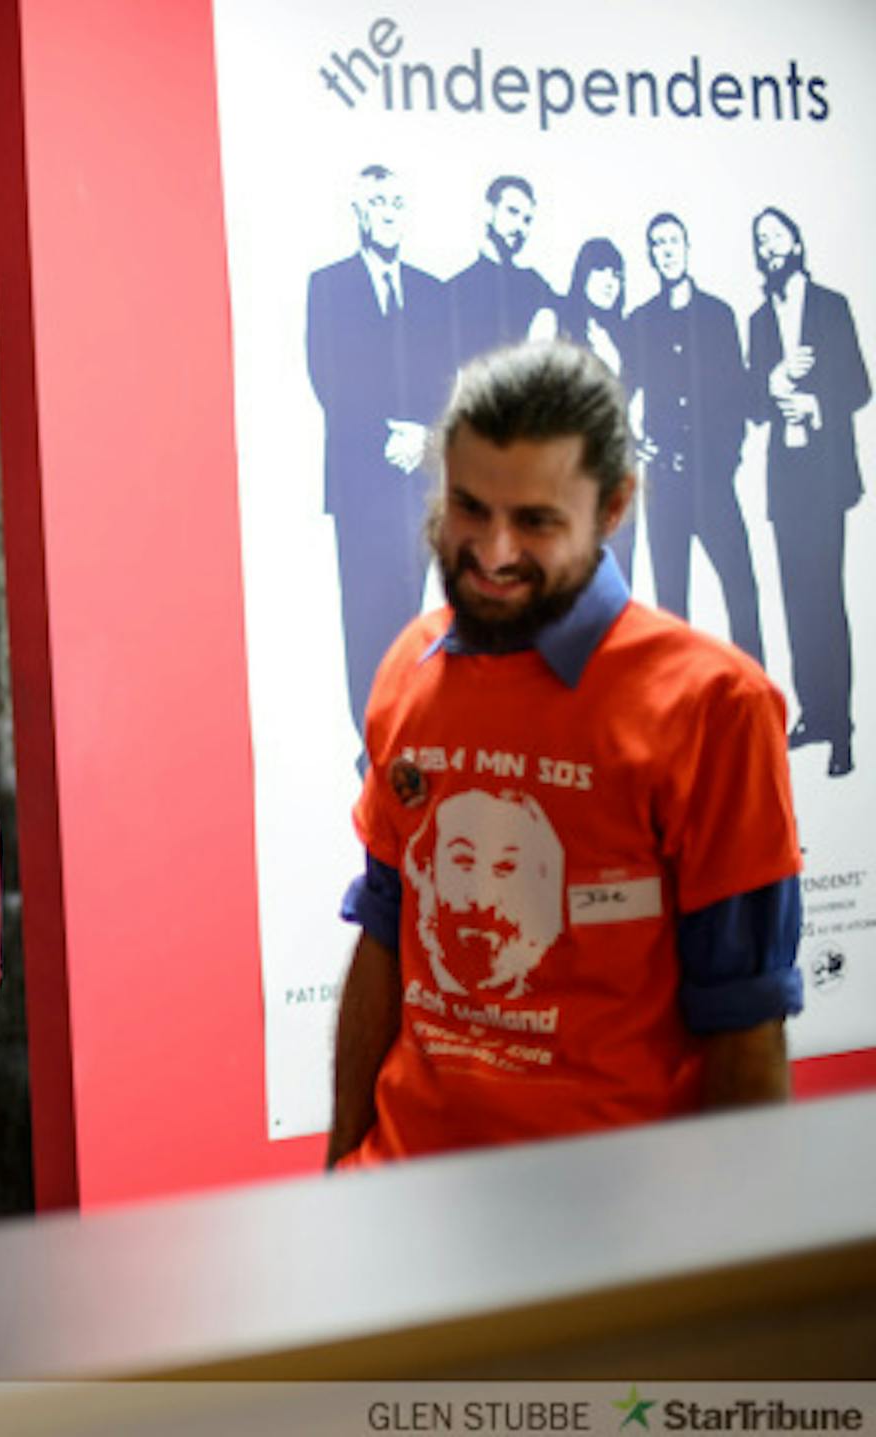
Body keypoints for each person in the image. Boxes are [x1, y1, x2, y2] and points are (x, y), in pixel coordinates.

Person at [325, 341, 803, 1170]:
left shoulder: (716, 706)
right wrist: (339, 1173)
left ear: (614, 506)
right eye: (470, 507)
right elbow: (383, 939)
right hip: (401, 1209)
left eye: (537, 521)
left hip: (608, 1247)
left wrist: (726, 1280)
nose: (494, 552)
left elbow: (747, 1023)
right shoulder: (411, 663)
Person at [306, 164, 457, 743]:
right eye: (378, 202)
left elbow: (450, 378)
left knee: (417, 616)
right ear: (359, 213)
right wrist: (384, 439)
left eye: (398, 201)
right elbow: (328, 378)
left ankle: (414, 733)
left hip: (421, 482)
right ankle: (371, 741)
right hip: (360, 483)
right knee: (365, 620)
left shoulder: (432, 291)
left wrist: (424, 439)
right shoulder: (329, 285)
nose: (390, 212)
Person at [746, 206, 867, 778]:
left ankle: (841, 729)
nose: (770, 247)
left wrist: (817, 404)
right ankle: (814, 714)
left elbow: (860, 386)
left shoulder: (832, 305)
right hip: (784, 480)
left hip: (825, 474)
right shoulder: (758, 320)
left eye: (778, 236)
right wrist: (770, 385)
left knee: (827, 599)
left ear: (797, 241)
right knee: (796, 602)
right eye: (761, 241)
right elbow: (750, 403)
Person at [624, 213, 765, 662]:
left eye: (673, 242)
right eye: (658, 244)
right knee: (671, 602)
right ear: (651, 255)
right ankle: (678, 710)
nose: (667, 251)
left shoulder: (718, 315)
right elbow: (618, 390)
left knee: (741, 588)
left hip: (712, 478)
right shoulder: (641, 320)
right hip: (663, 485)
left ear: (687, 249)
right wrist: (633, 441)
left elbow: (736, 396)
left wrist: (725, 460)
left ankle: (754, 696)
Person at [530, 237, 637, 581]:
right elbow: (528, 391)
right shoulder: (553, 316)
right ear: (583, 274)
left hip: (607, 472)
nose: (610, 281)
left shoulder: (622, 332)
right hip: (556, 471)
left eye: (616, 275)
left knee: (614, 578)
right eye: (601, 271)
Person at [447, 175, 556, 367]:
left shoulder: (536, 286)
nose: (520, 227)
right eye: (512, 212)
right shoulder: (456, 289)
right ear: (489, 212)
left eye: (527, 220)